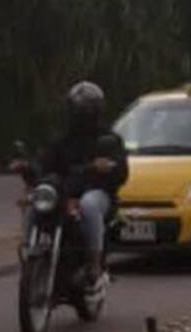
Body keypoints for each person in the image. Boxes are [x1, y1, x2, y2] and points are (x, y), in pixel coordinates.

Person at [36, 81, 129, 289]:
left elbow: (121, 172)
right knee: (37, 201)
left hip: (97, 193)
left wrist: (109, 168)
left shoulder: (109, 139)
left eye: (87, 108)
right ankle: (33, 248)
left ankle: (94, 264)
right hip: (66, 193)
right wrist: (28, 169)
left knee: (89, 204)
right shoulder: (61, 140)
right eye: (78, 108)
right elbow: (46, 165)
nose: (81, 113)